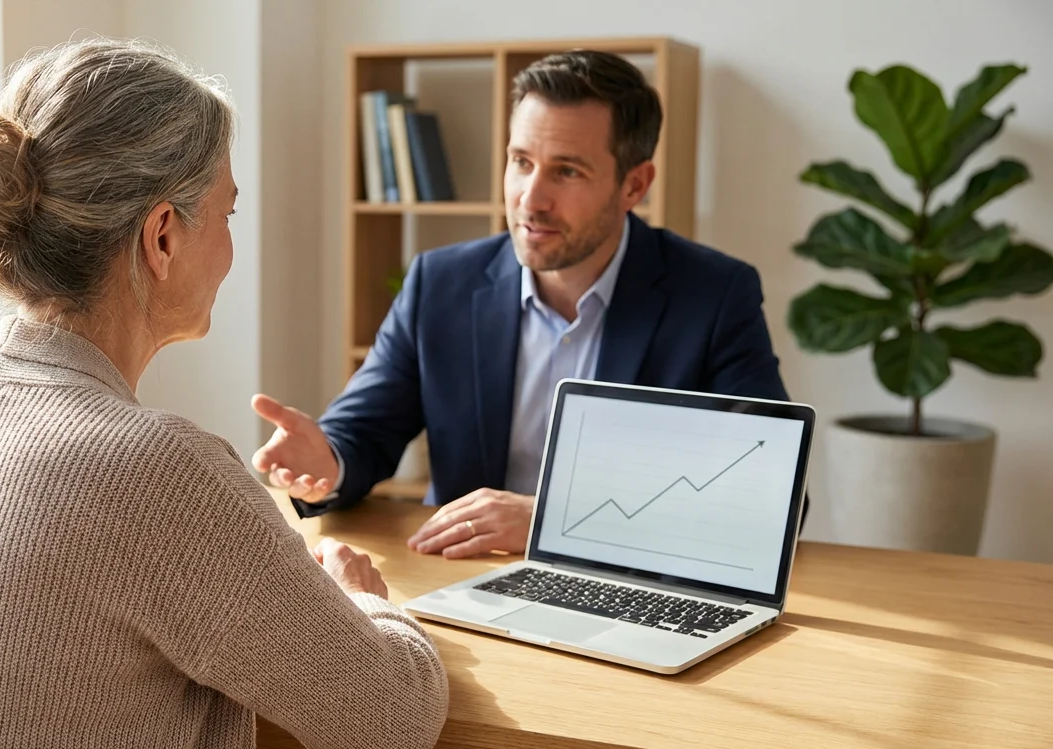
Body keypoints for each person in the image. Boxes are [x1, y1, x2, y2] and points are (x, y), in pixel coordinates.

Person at [0, 38, 447, 749]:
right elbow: (391, 716)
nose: (232, 246)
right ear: (163, 236)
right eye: (227, 214)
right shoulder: (156, 469)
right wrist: (363, 601)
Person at [252, 49, 796, 559]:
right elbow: (364, 431)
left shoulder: (714, 296)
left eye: (567, 171)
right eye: (520, 161)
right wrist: (326, 461)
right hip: (463, 573)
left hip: (625, 575)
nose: (530, 200)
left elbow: (770, 496)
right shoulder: (440, 283)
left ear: (635, 185)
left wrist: (551, 520)